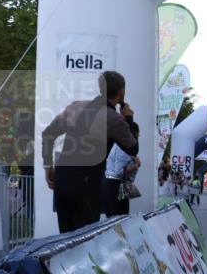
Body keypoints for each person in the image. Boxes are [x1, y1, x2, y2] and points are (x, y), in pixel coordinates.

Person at [41, 71, 139, 233]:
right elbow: (133, 148)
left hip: (63, 179)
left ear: (100, 88)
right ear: (121, 92)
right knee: (85, 239)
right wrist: (128, 118)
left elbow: (47, 134)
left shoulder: (75, 106)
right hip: (86, 186)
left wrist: (48, 167)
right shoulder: (115, 119)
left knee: (65, 237)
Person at [102, 123, 141, 216]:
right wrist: (136, 166)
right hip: (115, 185)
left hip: (117, 184)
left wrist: (136, 163)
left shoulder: (122, 145)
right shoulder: (123, 147)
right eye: (138, 133)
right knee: (118, 217)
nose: (139, 136)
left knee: (121, 216)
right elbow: (118, 172)